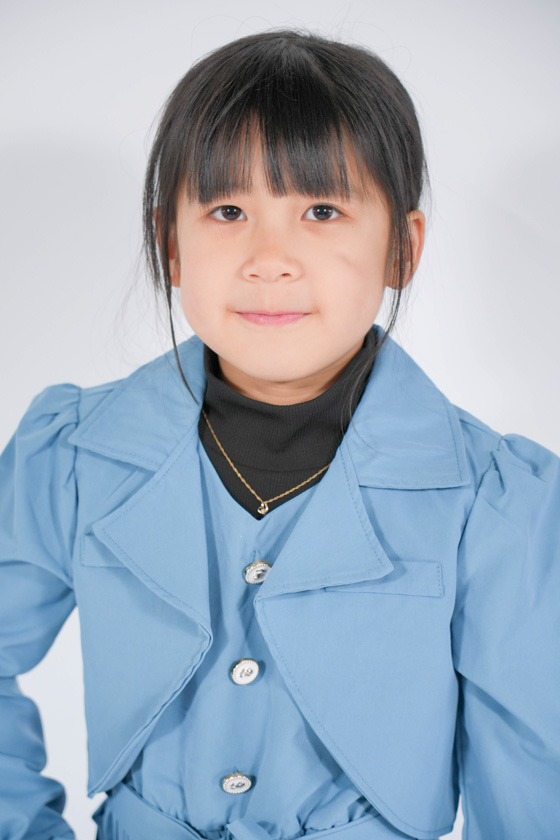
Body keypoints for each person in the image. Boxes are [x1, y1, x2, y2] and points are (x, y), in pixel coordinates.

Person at [0, 27, 558, 840]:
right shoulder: (70, 455)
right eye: (228, 211)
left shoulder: (496, 504)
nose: (270, 259)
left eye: (322, 210)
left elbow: (532, 785)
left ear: (402, 249)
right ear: (171, 245)